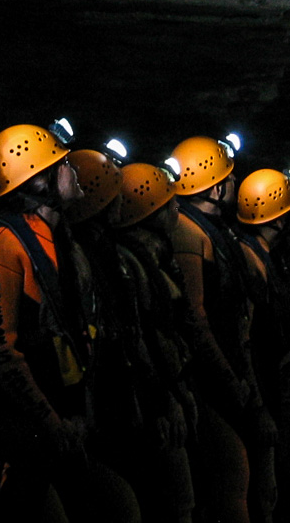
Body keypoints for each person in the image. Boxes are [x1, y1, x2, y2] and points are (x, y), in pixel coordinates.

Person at [0, 122, 140, 523]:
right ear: (38, 181)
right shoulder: (5, 245)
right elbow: (1, 348)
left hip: (65, 420)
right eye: (63, 163)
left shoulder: (61, 240)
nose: (74, 170)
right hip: (31, 429)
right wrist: (51, 422)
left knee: (120, 504)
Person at [169, 133, 271, 523]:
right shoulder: (188, 234)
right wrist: (230, 380)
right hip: (209, 381)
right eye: (227, 175)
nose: (234, 181)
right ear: (214, 186)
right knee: (232, 473)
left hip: (227, 373)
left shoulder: (216, 231)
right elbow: (196, 318)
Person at [114, 161, 199, 523]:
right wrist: (165, 400)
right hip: (154, 404)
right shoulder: (134, 264)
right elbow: (145, 337)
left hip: (160, 398)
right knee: (175, 504)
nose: (177, 208)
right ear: (151, 211)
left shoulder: (149, 257)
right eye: (169, 202)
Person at [235, 167, 290, 523]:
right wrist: (260, 406)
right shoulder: (252, 261)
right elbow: (246, 338)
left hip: (269, 382)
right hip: (259, 388)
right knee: (263, 488)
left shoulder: (265, 257)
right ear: (278, 218)